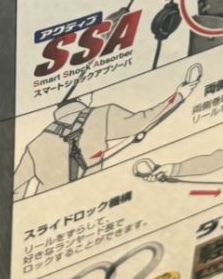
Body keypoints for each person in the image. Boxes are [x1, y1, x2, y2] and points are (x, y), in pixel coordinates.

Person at [13, 64, 202, 199]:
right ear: (85, 96)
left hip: (48, 209)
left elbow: (15, 187)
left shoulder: (36, 143)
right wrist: (179, 95)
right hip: (89, 200)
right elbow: (142, 121)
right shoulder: (103, 114)